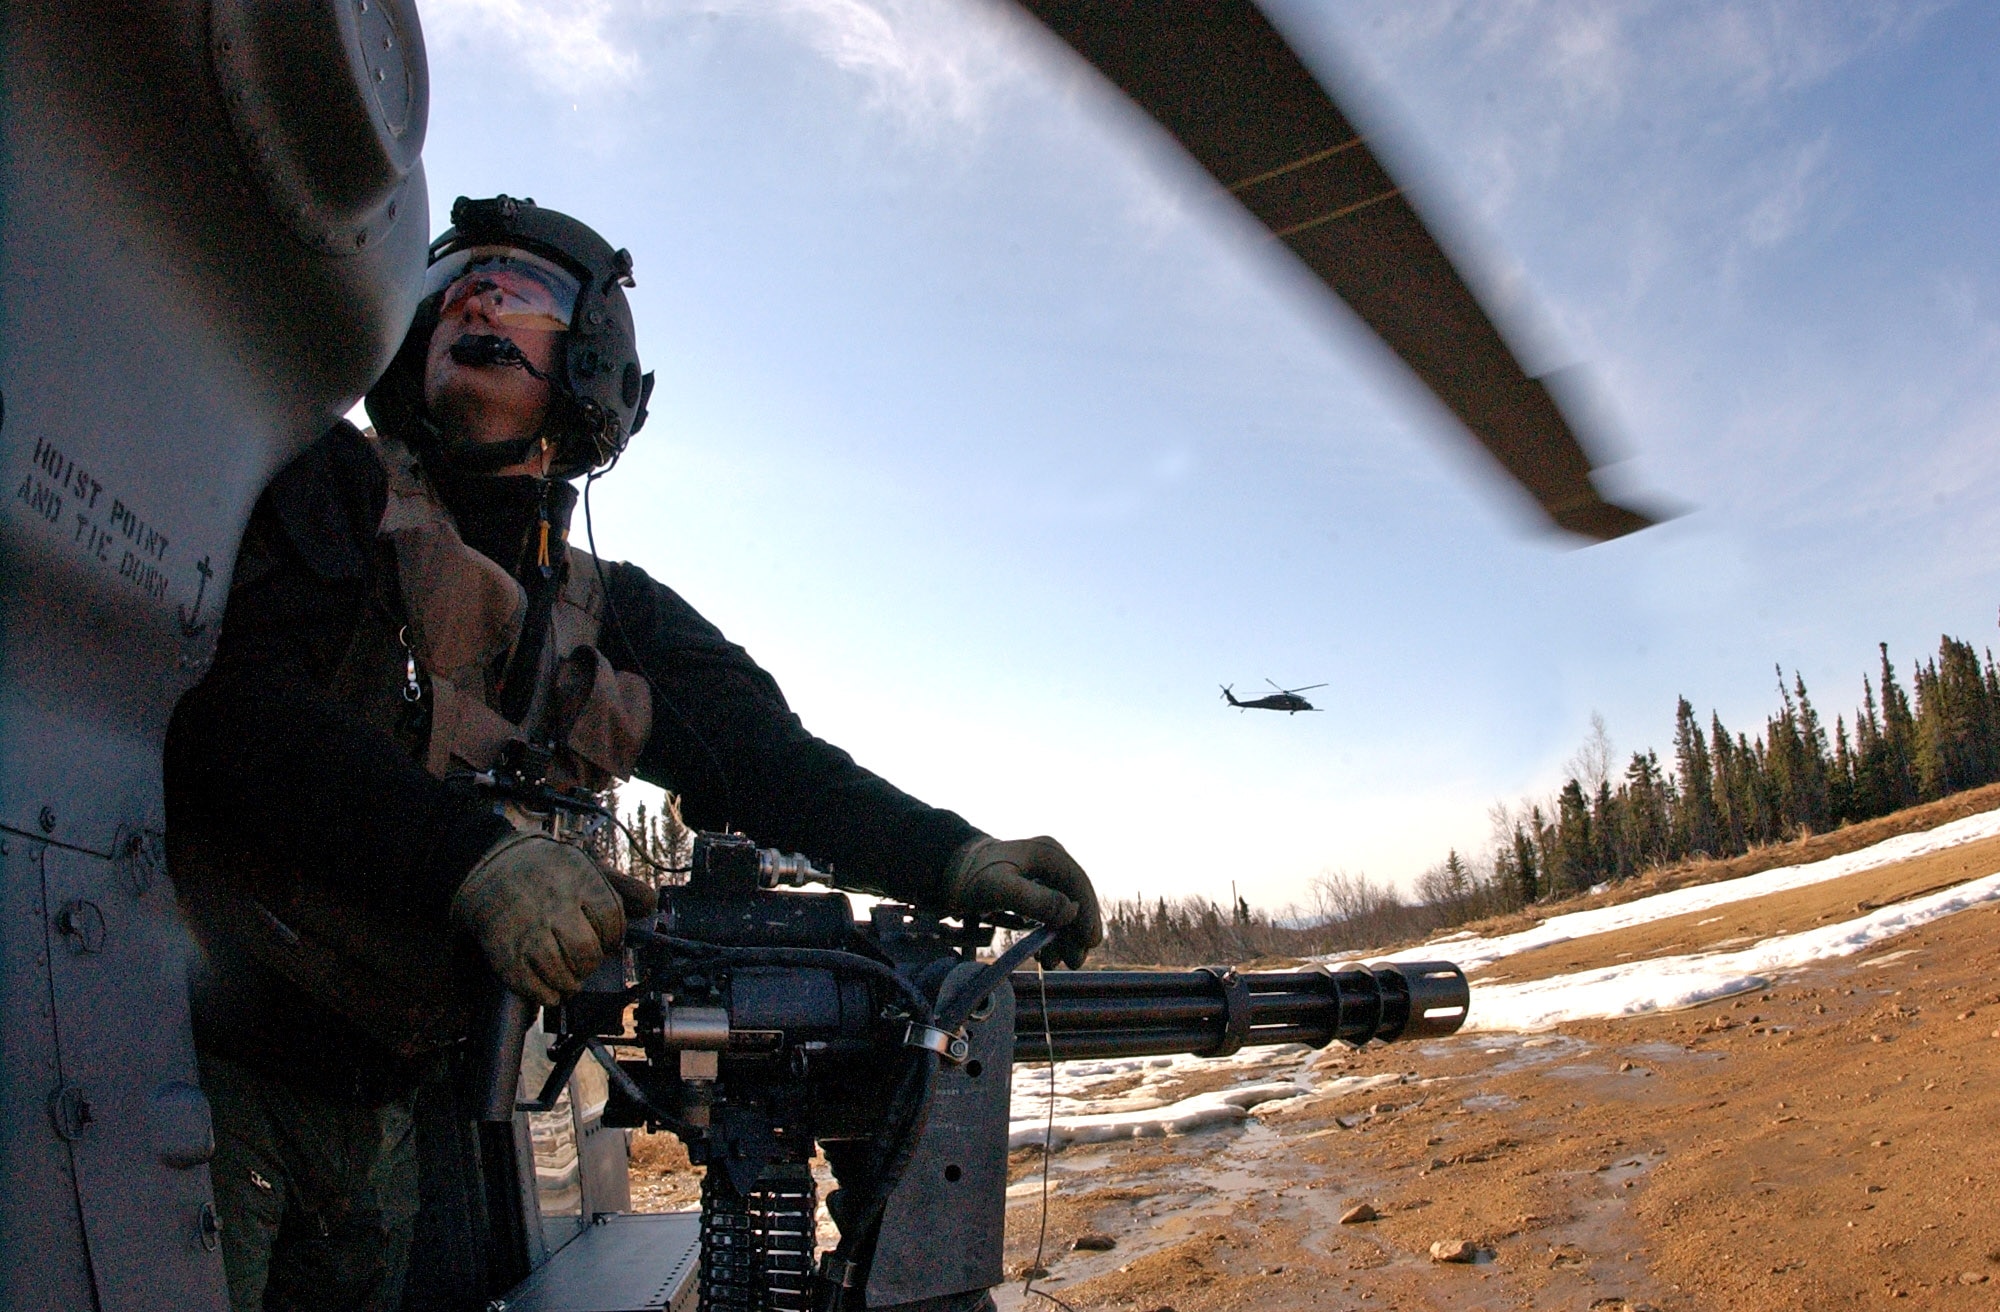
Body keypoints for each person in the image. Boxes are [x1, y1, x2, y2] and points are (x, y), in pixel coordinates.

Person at [164, 195, 1101, 1312]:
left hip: (386, 1116)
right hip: (207, 1083)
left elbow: (772, 766)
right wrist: (475, 863)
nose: (475, 296)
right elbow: (229, 711)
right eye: (456, 279)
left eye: (522, 290)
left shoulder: (609, 613)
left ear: (594, 365)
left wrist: (951, 856)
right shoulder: (327, 486)